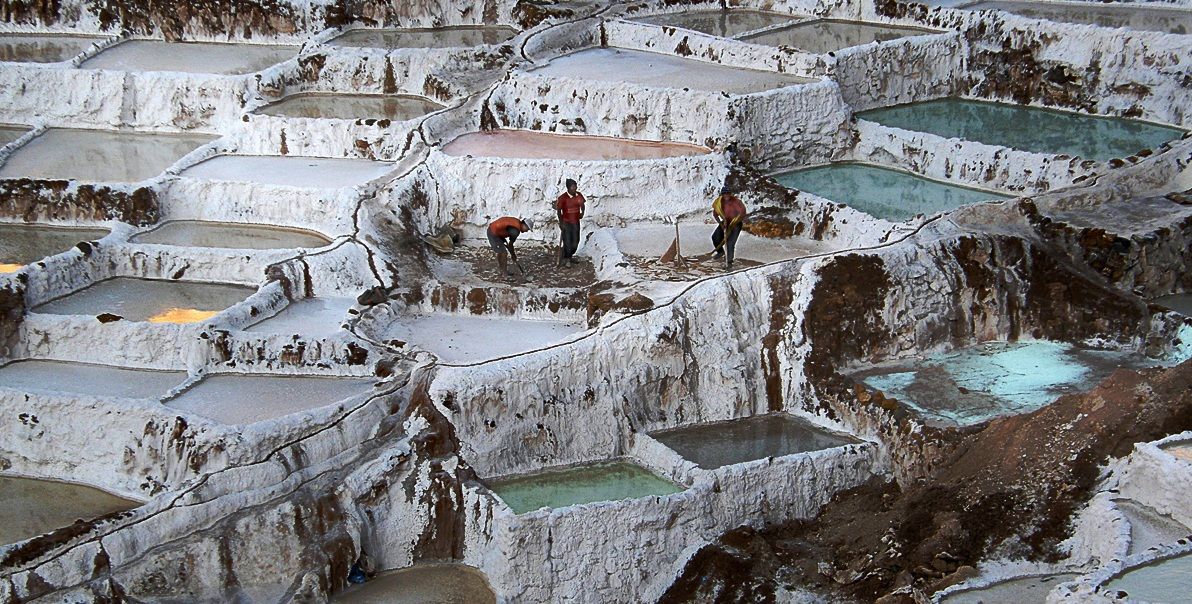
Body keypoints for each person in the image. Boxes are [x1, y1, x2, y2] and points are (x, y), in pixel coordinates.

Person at [711, 185, 746, 269]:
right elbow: (715, 215)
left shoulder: (736, 202)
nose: (726, 195)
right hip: (725, 222)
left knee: (730, 243)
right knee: (715, 237)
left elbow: (742, 213)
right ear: (722, 194)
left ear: (730, 194)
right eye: (724, 193)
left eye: (728, 193)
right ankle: (720, 252)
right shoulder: (719, 203)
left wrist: (733, 223)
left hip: (735, 223)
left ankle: (729, 262)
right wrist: (721, 224)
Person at [555, 178, 586, 266]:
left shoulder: (579, 195)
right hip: (566, 223)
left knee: (576, 241)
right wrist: (561, 223)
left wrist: (582, 213)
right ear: (568, 188)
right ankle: (567, 258)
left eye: (575, 186)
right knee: (567, 241)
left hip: (576, 222)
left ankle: (569, 255)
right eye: (573, 187)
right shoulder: (563, 198)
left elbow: (582, 205)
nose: (575, 188)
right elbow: (559, 211)